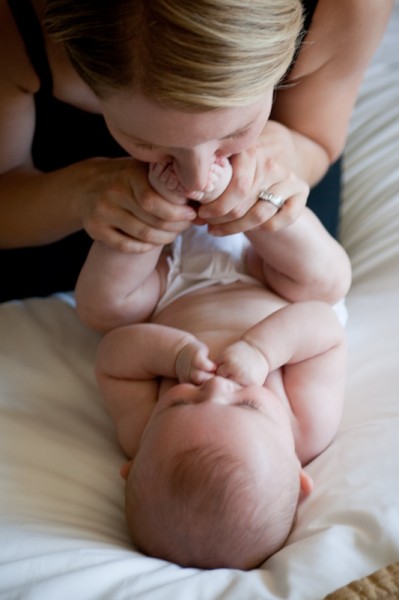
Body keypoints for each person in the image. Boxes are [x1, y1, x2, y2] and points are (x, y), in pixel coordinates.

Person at [0, 0, 392, 302]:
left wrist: (285, 153)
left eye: (236, 129)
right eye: (146, 142)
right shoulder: (13, 22)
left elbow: (316, 139)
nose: (196, 181)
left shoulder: (347, 7)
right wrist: (78, 195)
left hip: (288, 129)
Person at [89, 205, 351, 569]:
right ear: (296, 474)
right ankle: (254, 196)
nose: (215, 387)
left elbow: (113, 359)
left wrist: (174, 355)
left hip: (172, 286)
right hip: (271, 277)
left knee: (102, 308)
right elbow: (324, 332)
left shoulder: (141, 432)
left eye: (180, 404)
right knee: (327, 281)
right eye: (248, 406)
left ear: (132, 466)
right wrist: (261, 351)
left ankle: (154, 205)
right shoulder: (308, 428)